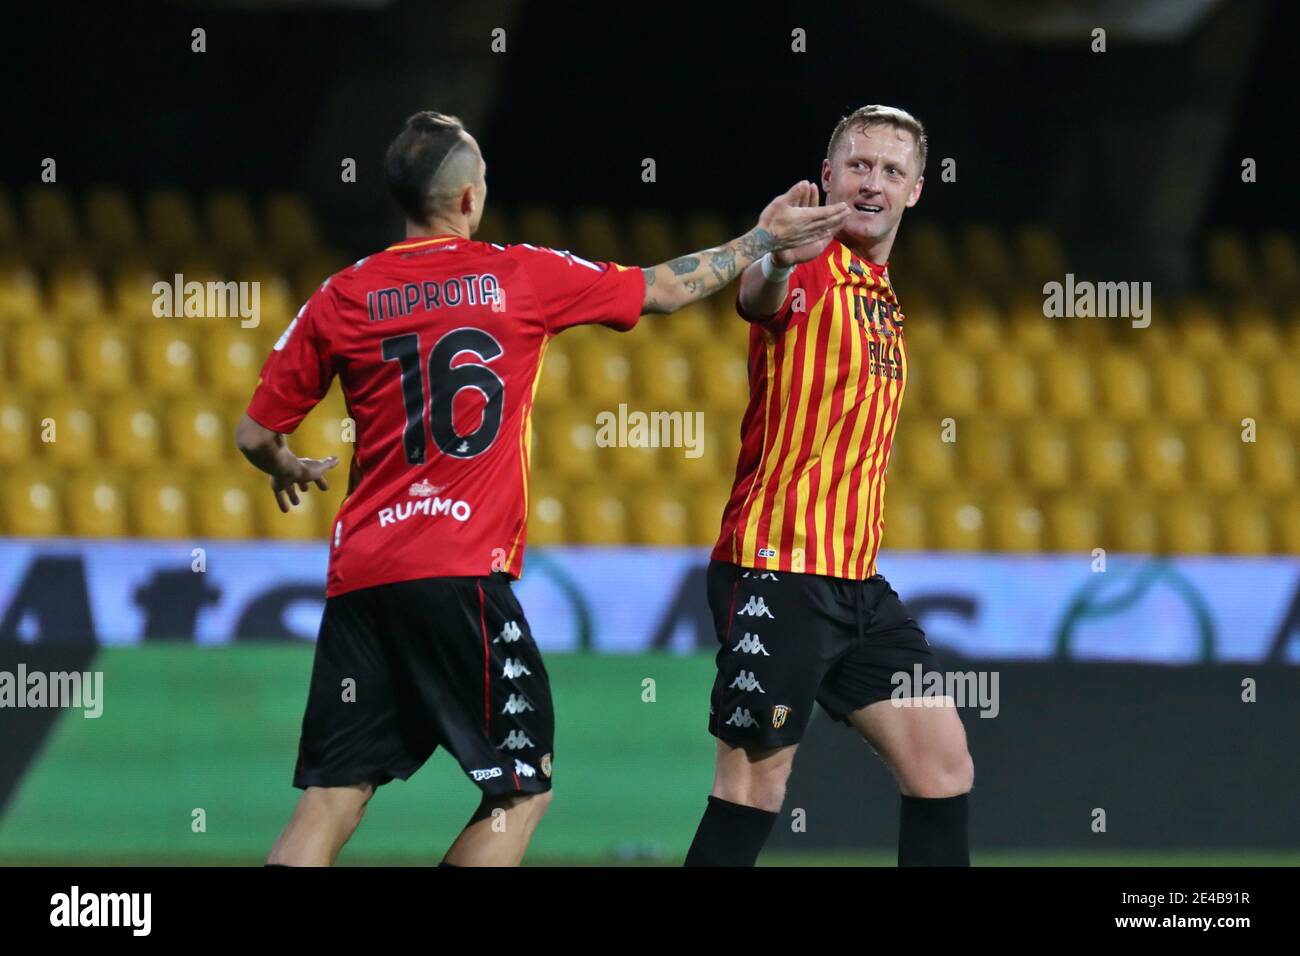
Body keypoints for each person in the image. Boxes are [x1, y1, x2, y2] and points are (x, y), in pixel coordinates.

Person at [234, 110, 849, 866]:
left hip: (362, 579)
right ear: (466, 201)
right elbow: (660, 289)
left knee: (333, 794)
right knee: (520, 789)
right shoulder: (515, 274)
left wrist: (287, 467)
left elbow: (254, 435)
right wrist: (764, 240)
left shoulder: (341, 295)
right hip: (459, 571)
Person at [685, 105, 974, 867]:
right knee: (753, 784)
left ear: (916, 191)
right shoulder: (809, 261)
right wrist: (775, 254)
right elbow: (759, 294)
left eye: (890, 171)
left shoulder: (881, 294)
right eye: (858, 165)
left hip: (855, 584)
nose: (872, 183)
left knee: (942, 763)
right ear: (827, 177)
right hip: (779, 568)